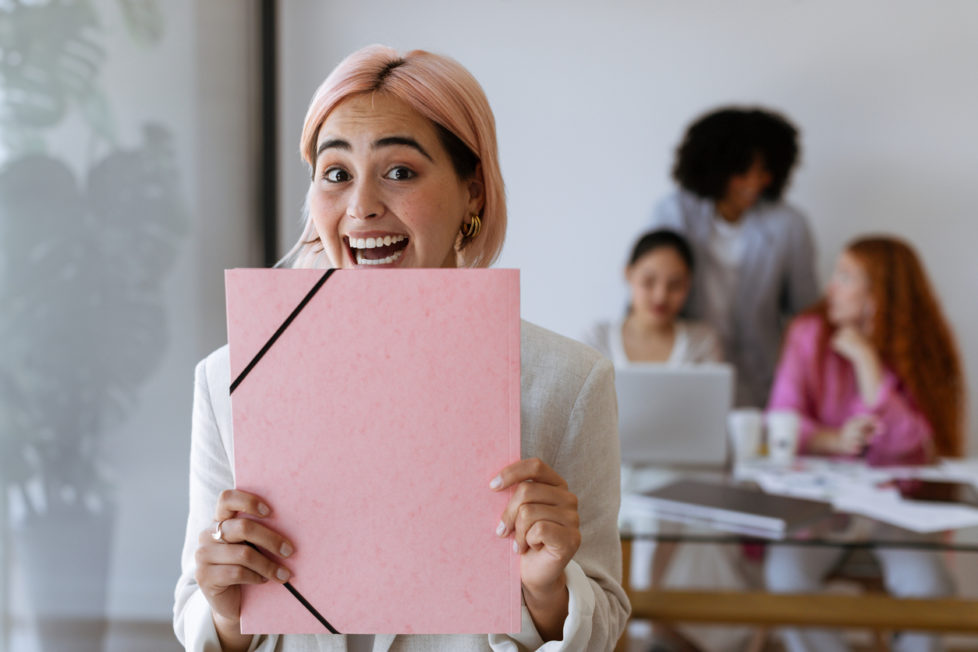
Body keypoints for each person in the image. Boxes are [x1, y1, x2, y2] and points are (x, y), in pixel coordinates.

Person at [173, 46, 629, 652]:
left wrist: (547, 591)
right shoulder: (229, 377)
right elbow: (196, 611)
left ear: (474, 195)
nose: (361, 207)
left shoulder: (569, 383)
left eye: (399, 171)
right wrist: (228, 615)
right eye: (336, 174)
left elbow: (603, 622)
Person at [764, 236, 964, 652]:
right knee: (784, 578)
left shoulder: (923, 351)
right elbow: (780, 421)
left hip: (899, 510)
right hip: (820, 509)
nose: (830, 287)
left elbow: (911, 448)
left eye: (845, 277)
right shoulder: (808, 334)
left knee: (930, 586)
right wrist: (833, 438)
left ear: (878, 295)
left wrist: (866, 360)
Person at [649, 106, 818, 407]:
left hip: (764, 379)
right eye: (743, 172)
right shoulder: (674, 213)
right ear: (717, 168)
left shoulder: (789, 225)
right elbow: (648, 289)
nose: (755, 182)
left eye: (764, 171)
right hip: (687, 371)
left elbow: (805, 313)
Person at [582, 229, 721, 366]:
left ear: (688, 284)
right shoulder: (597, 339)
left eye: (675, 285)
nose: (660, 297)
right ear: (628, 274)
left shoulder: (702, 343)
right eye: (648, 281)